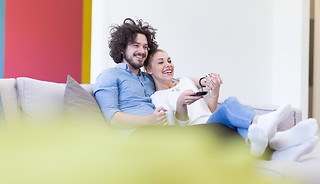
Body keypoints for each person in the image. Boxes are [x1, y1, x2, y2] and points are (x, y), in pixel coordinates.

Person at [144, 49, 319, 161]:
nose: (168, 65)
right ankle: (276, 142)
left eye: (169, 60)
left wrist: (215, 92)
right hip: (198, 130)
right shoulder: (157, 98)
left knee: (236, 108)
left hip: (211, 121)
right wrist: (181, 104)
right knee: (232, 108)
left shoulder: (185, 81)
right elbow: (177, 130)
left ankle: (270, 141)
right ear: (149, 70)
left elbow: (208, 111)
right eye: (161, 62)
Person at [93, 18, 239, 140]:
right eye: (136, 46)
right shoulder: (109, 76)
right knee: (220, 130)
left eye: (145, 47)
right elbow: (111, 118)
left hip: (163, 131)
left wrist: (203, 81)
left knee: (226, 131)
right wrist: (149, 120)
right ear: (122, 49)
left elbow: (176, 80)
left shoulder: (147, 78)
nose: (142, 51)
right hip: (138, 135)